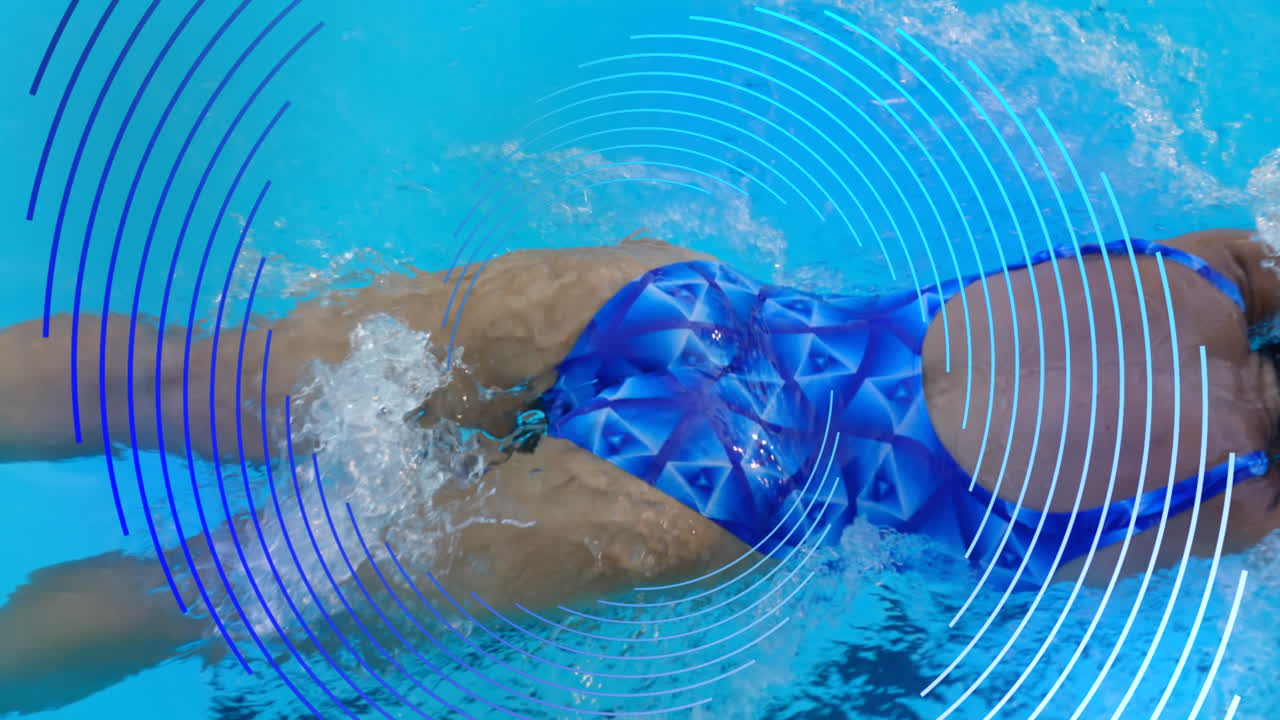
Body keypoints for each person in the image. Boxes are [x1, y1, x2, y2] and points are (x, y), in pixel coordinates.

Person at [1, 227, 1278, 712]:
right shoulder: (1244, 500)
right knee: (209, 593)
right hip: (700, 494)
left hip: (673, 305)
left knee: (187, 381)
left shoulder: (1217, 269)